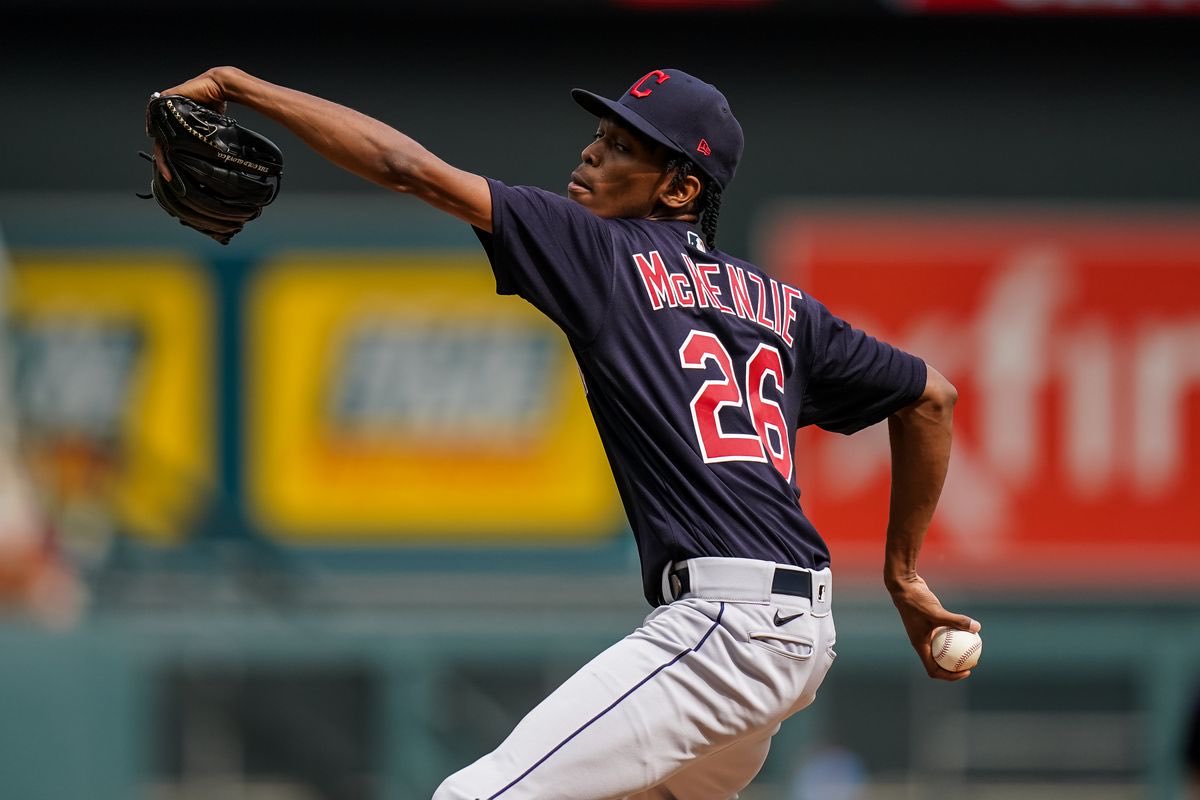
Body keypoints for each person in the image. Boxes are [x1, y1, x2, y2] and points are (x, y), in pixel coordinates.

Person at [155, 65, 979, 800]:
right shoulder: (787, 308)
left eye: (623, 147)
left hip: (726, 629)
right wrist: (902, 575)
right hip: (797, 634)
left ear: (680, 189)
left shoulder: (602, 252)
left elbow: (410, 169)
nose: (592, 154)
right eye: (599, 135)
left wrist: (243, 86)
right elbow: (930, 398)